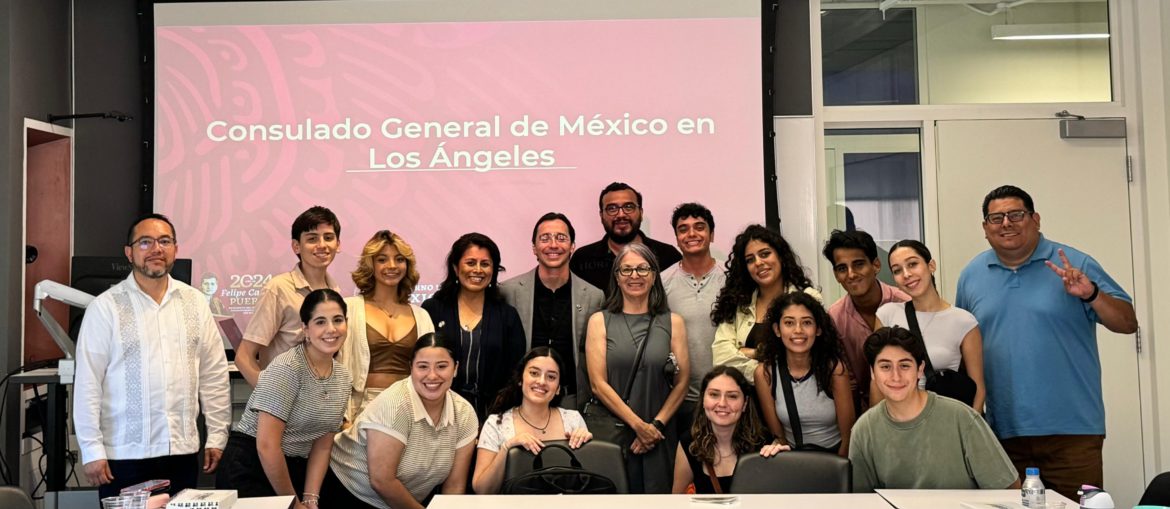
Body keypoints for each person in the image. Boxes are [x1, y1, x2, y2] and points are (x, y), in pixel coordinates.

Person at [955, 185, 1137, 498]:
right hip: (1002, 435)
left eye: (1016, 215)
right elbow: (963, 347)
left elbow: (1127, 323)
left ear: (1036, 219)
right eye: (996, 218)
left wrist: (1091, 294)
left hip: (1073, 433)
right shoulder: (971, 275)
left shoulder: (1074, 264)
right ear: (985, 228)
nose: (1006, 224)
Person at [73, 214, 231, 498]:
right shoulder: (105, 308)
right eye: (145, 242)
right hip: (122, 455)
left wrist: (217, 435)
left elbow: (213, 374)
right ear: (129, 252)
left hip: (181, 451)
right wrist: (91, 449)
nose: (156, 249)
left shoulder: (195, 302)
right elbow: (87, 384)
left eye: (164, 241)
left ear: (176, 250)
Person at [216, 289, 351, 508]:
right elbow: (267, 446)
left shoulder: (343, 377)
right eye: (320, 322)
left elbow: (323, 445)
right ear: (305, 329)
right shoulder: (287, 368)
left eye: (338, 320)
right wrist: (293, 504)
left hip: (295, 468)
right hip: (252, 467)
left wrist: (310, 498)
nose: (331, 329)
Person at [849, 327, 1019, 492]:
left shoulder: (962, 419)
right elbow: (862, 500)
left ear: (920, 369)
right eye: (885, 367)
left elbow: (1009, 489)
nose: (896, 376)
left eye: (905, 366)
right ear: (872, 372)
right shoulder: (864, 430)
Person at [321, 333, 477, 509]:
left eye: (442, 366)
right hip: (349, 494)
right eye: (423, 366)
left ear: (455, 368)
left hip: (406, 501)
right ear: (411, 368)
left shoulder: (464, 414)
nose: (432, 376)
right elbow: (382, 480)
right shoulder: (394, 404)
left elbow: (454, 486)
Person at [585, 243, 689, 494]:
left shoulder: (673, 322)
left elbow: (683, 382)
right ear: (616, 277)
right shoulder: (599, 321)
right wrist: (639, 427)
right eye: (627, 270)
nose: (635, 276)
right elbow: (598, 385)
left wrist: (656, 427)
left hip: (660, 434)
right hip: (617, 431)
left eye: (643, 269)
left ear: (654, 276)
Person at [499, 213, 605, 410]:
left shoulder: (594, 296)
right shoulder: (508, 291)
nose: (553, 245)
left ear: (572, 246)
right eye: (545, 238)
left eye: (561, 238)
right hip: (519, 400)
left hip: (573, 402)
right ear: (534, 248)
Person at [422, 233, 526, 420]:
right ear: (455, 267)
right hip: (438, 412)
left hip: (494, 416)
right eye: (470, 263)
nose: (477, 270)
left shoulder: (507, 315)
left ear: (493, 270)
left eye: (485, 264)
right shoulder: (433, 309)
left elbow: (516, 371)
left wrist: (498, 411)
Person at [237, 206, 342, 387]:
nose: (322, 245)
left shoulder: (335, 292)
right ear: (296, 246)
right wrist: (270, 399)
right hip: (285, 405)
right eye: (312, 239)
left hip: (322, 402)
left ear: (338, 244)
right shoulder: (279, 289)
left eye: (328, 237)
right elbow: (243, 357)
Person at [874, 240, 985, 410]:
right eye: (897, 270)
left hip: (945, 419)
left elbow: (978, 389)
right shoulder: (887, 315)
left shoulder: (964, 321)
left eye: (912, 264)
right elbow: (876, 381)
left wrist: (970, 429)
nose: (906, 274)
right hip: (899, 418)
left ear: (931, 265)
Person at [339, 230, 435, 422]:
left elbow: (432, 371)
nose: (392, 266)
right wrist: (342, 419)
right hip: (359, 411)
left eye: (399, 259)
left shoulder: (422, 316)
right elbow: (335, 367)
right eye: (382, 259)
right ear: (371, 265)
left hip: (410, 410)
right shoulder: (349, 309)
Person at [472, 347, 593, 494]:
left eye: (551, 377)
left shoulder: (573, 419)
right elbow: (482, 490)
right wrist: (507, 448)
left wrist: (588, 446)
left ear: (558, 388)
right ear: (520, 380)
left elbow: (586, 485)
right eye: (534, 373)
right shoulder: (496, 423)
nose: (541, 381)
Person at [711, 224, 821, 383]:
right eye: (750, 260)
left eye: (765, 254)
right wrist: (765, 373)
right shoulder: (738, 305)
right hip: (747, 403)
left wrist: (752, 353)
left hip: (797, 398)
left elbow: (809, 354)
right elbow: (721, 358)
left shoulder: (809, 298)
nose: (758, 263)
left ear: (781, 257)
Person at [754, 292, 854, 456]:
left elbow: (848, 438)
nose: (798, 330)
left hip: (834, 458)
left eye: (807, 322)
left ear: (818, 329)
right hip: (793, 460)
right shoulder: (765, 374)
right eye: (789, 323)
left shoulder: (834, 369)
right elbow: (780, 438)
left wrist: (837, 473)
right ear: (777, 330)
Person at [822, 229, 908, 410]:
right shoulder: (835, 318)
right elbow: (847, 382)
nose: (851, 274)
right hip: (866, 410)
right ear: (836, 275)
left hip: (912, 404)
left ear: (876, 265)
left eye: (858, 264)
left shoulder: (905, 304)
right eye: (842, 268)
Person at [661, 203, 726, 440]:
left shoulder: (732, 278)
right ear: (677, 238)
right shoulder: (662, 282)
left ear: (712, 234)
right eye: (683, 229)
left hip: (727, 396)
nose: (692, 234)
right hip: (682, 399)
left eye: (700, 227)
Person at [670, 366, 786, 494]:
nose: (722, 403)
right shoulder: (690, 443)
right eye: (714, 394)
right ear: (703, 400)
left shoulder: (765, 443)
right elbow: (677, 500)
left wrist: (784, 462)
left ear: (745, 403)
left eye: (732, 396)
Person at [570, 182, 682, 293]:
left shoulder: (668, 256)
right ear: (601, 215)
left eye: (629, 207)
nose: (621, 214)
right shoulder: (582, 259)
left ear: (641, 213)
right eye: (612, 208)